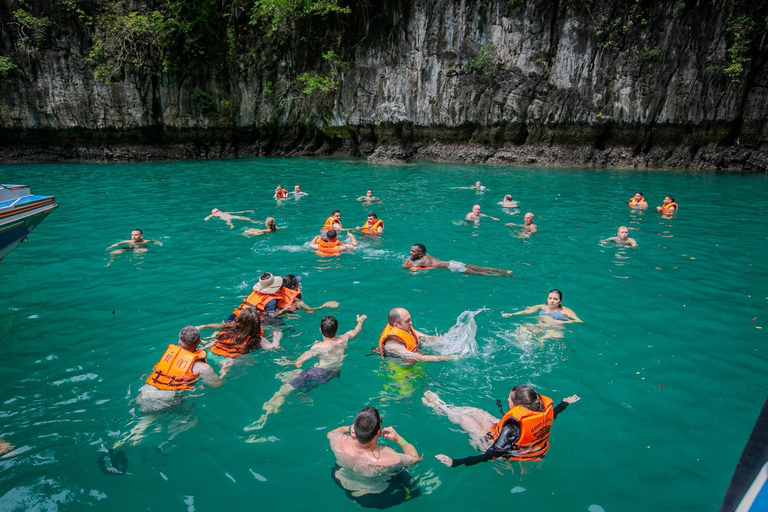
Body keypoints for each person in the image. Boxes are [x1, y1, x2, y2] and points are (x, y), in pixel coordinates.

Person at [247, 315, 367, 430]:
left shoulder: (318, 346)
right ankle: (303, 393)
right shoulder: (344, 338)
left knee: (284, 389)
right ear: (336, 330)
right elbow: (356, 330)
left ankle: (263, 419)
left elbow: (299, 362)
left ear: (320, 330)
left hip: (317, 372)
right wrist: (360, 321)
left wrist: (288, 362)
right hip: (333, 373)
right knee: (292, 376)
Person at [422, 386, 580, 467]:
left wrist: (456, 462)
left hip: (502, 448)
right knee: (474, 411)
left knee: (464, 419)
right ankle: (444, 406)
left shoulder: (512, 426)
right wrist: (564, 403)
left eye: (510, 399)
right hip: (504, 433)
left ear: (517, 405)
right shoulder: (537, 410)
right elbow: (554, 413)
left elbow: (490, 455)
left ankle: (439, 408)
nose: (507, 399)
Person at [326, 407, 422, 499]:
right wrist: (398, 439)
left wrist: (349, 428)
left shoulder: (339, 442)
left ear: (355, 428)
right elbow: (416, 458)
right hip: (371, 494)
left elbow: (330, 433)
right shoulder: (388, 457)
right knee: (413, 485)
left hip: (341, 480)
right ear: (378, 433)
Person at [136, 326, 227, 413]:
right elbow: (216, 385)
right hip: (166, 400)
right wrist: (224, 370)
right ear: (199, 341)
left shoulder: (169, 355)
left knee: (145, 422)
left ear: (179, 342)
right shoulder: (203, 367)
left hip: (145, 392)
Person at [204, 307, 281, 364]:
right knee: (250, 360)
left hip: (211, 353)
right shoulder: (257, 339)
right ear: (256, 325)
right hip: (230, 359)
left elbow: (218, 336)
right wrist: (276, 339)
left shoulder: (228, 328)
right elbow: (271, 347)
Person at [375, 307, 453, 362]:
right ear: (396, 325)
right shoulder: (393, 345)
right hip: (400, 373)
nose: (411, 323)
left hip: (412, 364)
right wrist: (447, 357)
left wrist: (448, 340)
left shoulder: (404, 328)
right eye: (407, 321)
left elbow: (426, 338)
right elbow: (419, 358)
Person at [402, 243, 513, 277]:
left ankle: (502, 275)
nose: (410, 253)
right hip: (452, 262)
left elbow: (405, 267)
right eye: (411, 250)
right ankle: (504, 271)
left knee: (479, 273)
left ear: (420, 254)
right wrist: (412, 258)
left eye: (413, 251)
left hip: (453, 267)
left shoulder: (422, 261)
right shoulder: (426, 256)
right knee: (477, 267)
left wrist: (408, 260)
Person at [270, 274, 340, 316]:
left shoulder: (276, 292)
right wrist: (324, 306)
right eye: (297, 282)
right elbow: (310, 311)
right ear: (292, 287)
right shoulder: (296, 300)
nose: (299, 283)